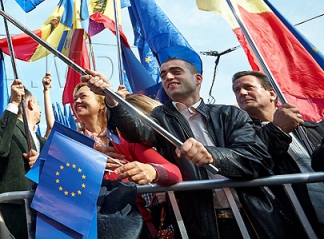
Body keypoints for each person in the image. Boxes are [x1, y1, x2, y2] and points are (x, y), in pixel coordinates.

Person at [86, 53, 301, 239]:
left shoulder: (231, 114)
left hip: (253, 216)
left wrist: (212, 156)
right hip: (198, 221)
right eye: (163, 75)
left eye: (176, 72)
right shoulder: (159, 119)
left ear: (198, 78)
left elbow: (256, 158)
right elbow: (135, 131)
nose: (168, 77)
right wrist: (110, 96)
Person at [232, 70, 324, 236]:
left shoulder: (314, 128)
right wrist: (277, 129)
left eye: (248, 87)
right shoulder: (242, 139)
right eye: (237, 90)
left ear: (272, 93)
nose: (242, 93)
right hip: (301, 223)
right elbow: (251, 163)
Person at [0, 77, 47, 239]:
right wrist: (13, 104)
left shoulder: (43, 142)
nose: (40, 109)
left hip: (45, 209)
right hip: (16, 209)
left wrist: (41, 162)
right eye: (39, 104)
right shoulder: (5, 127)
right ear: (30, 104)